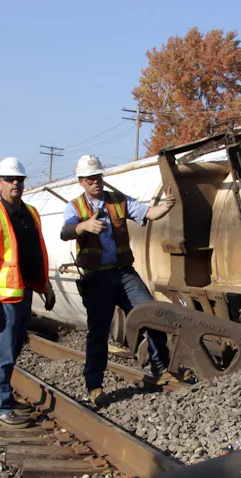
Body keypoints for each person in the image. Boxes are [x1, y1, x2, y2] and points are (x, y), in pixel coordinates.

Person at [60, 154, 180, 408]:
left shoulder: (118, 200)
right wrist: (84, 227)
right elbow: (66, 231)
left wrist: (166, 206)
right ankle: (94, 386)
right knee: (98, 333)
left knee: (151, 315)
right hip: (96, 277)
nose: (96, 182)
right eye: (90, 179)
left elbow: (148, 212)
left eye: (99, 177)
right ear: (81, 181)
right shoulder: (75, 207)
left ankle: (161, 371)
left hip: (124, 274)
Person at [0, 157, 56, 428]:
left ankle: (3, 396)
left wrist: (45, 286)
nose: (15, 184)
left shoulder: (31, 213)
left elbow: (35, 254)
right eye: (10, 180)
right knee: (2, 353)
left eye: (19, 179)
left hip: (25, 293)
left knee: (15, 346)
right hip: (3, 299)